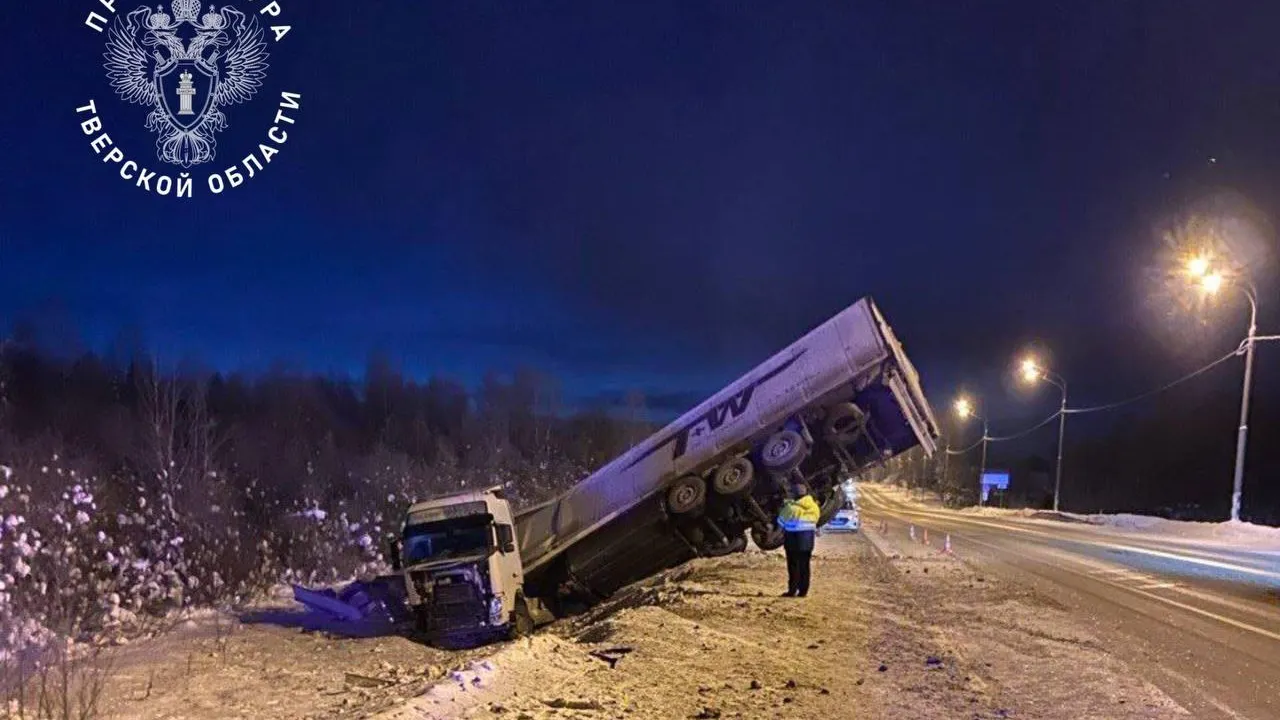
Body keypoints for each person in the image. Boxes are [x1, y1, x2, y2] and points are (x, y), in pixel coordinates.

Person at [776, 481, 820, 597]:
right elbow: (816, 520)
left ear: (795, 494)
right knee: (805, 566)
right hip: (808, 541)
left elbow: (780, 522)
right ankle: (803, 591)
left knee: (793, 566)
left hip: (793, 541)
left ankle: (792, 590)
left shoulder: (791, 508)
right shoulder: (814, 507)